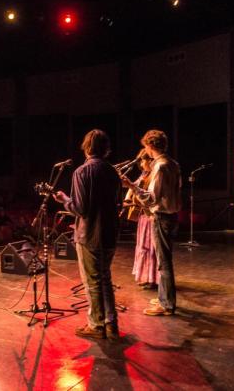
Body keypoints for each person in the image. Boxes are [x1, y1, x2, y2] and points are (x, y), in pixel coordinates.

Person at [53, 129, 122, 341]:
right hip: (110, 232)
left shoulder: (82, 172)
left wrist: (65, 200)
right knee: (105, 279)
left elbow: (81, 209)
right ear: (106, 148)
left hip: (90, 234)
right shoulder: (113, 172)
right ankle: (111, 324)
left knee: (93, 282)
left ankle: (96, 325)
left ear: (86, 147)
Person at [122, 129, 182, 316]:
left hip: (161, 216)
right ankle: (165, 297)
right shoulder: (173, 164)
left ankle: (167, 305)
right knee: (164, 260)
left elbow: (151, 198)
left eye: (145, 147)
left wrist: (131, 186)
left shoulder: (160, 166)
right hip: (172, 216)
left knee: (163, 262)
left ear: (149, 146)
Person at [127, 151, 158, 289]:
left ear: (150, 161)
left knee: (151, 247)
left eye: (143, 160)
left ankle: (153, 278)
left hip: (150, 216)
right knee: (143, 246)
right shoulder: (144, 174)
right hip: (143, 216)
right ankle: (146, 276)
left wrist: (132, 187)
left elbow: (148, 195)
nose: (141, 163)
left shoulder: (154, 175)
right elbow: (134, 186)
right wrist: (127, 198)